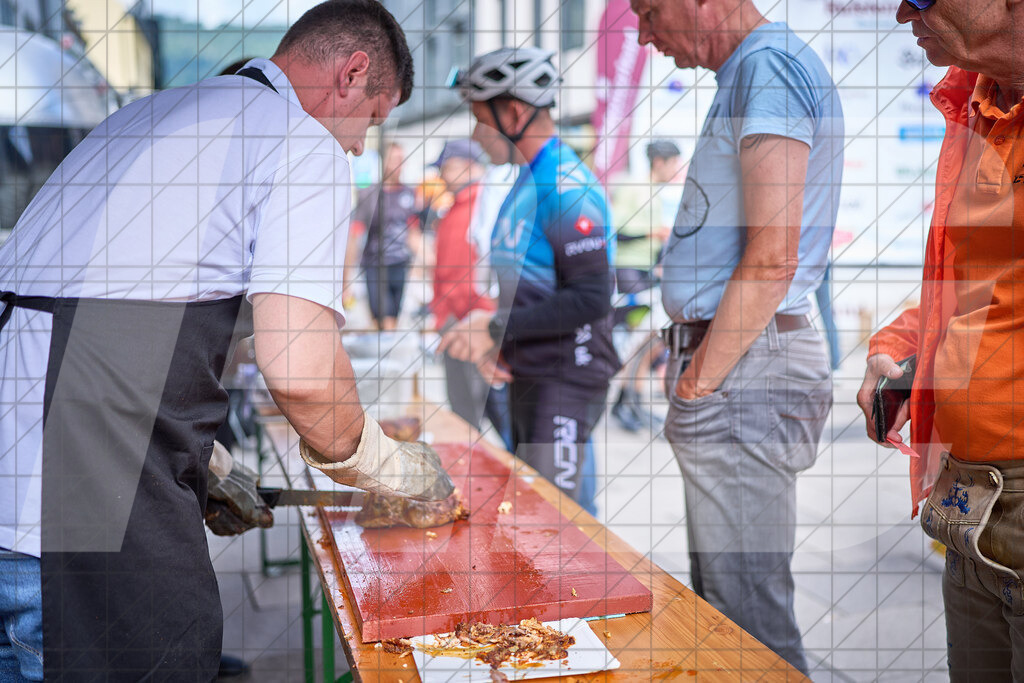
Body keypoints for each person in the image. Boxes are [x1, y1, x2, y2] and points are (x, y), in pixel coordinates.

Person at [0, 1, 455, 678]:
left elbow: (97, 309)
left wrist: (206, 465)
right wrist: (391, 468)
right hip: (79, 528)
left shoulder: (150, 115)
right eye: (373, 120)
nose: (360, 144)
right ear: (353, 75)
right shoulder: (299, 139)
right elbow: (299, 368)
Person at [632, 0, 843, 672]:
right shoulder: (751, 71)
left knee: (746, 617)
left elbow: (772, 256)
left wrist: (701, 378)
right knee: (727, 606)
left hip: (745, 364)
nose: (644, 32)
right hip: (739, 362)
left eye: (648, 10)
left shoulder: (769, 66)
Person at [858, 0, 1024, 677]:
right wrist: (903, 341)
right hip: (966, 496)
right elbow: (972, 272)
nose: (904, 14)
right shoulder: (977, 102)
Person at [440, 47, 620, 506]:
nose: (476, 135)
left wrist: (495, 329)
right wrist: (500, 342)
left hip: (565, 379)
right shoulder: (524, 181)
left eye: (480, 119)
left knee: (560, 531)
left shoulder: (565, 184)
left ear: (515, 112)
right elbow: (522, 290)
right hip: (529, 371)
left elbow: (593, 295)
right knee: (534, 520)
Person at [430, 138, 512, 446]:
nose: (441, 176)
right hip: (458, 321)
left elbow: (476, 273)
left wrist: (474, 322)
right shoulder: (455, 207)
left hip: (471, 323)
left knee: (473, 414)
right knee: (479, 410)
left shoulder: (483, 203)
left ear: (468, 166)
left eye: (446, 168)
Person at [610, 139, 682, 432]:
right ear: (660, 162)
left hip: (646, 271)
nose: (676, 170)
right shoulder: (632, 187)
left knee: (650, 339)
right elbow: (615, 232)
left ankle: (629, 401)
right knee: (641, 339)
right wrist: (651, 234)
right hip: (627, 271)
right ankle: (626, 402)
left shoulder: (654, 192)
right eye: (674, 163)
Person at [349, 141, 419, 330]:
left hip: (400, 266)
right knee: (384, 323)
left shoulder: (410, 194)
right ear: (384, 160)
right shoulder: (370, 194)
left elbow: (414, 233)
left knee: (392, 324)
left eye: (401, 160)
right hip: (376, 267)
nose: (399, 164)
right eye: (395, 159)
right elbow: (354, 236)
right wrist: (346, 280)